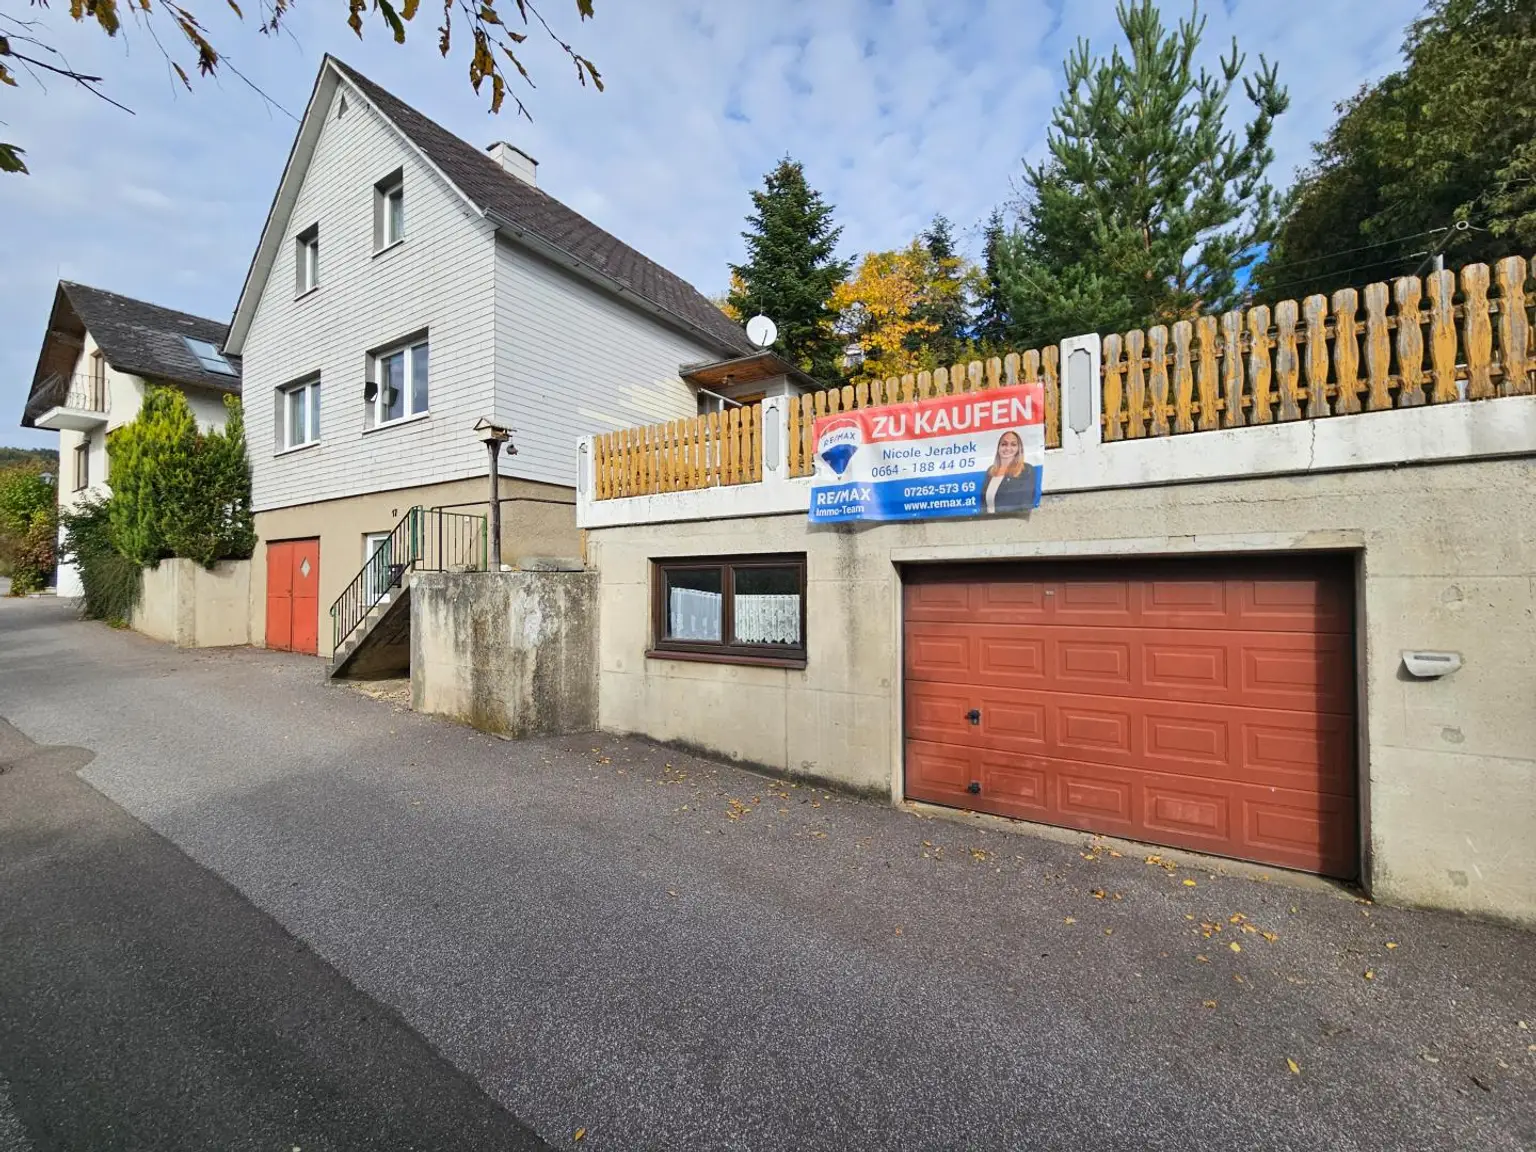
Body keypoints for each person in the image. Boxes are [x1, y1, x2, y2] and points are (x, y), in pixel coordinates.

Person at [982, 430, 1037, 514]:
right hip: (988, 523)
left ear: (1019, 448)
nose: (1008, 448)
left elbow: (1025, 503)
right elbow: (983, 504)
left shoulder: (1026, 470)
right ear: (998, 447)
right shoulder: (990, 471)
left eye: (1013, 444)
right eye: (1004, 444)